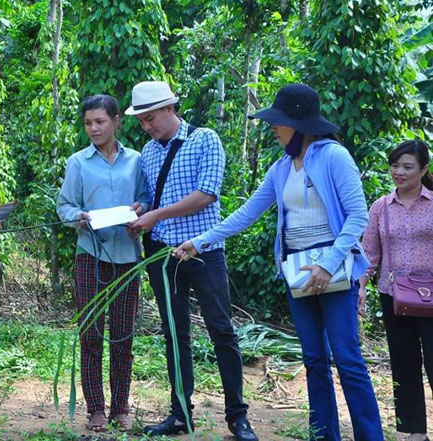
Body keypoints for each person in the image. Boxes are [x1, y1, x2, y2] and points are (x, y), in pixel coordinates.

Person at [174, 83, 384, 441]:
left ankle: (370, 436)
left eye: (279, 122)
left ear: (299, 125)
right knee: (315, 361)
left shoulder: (334, 156)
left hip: (332, 270)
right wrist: (199, 241)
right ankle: (323, 435)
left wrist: (329, 263)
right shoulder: (282, 168)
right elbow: (246, 213)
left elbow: (357, 217)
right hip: (297, 271)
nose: (274, 128)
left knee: (348, 360)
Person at [126, 81, 258, 441]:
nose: (147, 127)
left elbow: (206, 194)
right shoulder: (148, 152)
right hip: (164, 254)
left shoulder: (205, 140)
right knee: (174, 333)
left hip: (204, 251)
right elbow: (152, 199)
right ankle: (180, 414)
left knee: (221, 330)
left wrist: (156, 215)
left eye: (150, 118)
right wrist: (143, 212)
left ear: (171, 108)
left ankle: (238, 417)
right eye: (141, 121)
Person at [56, 94, 149, 432]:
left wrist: (139, 210)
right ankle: (96, 409)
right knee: (91, 335)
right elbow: (65, 205)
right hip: (90, 257)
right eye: (87, 123)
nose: (93, 129)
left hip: (127, 258)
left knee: (123, 336)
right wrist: (77, 218)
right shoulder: (78, 162)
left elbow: (147, 198)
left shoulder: (137, 160)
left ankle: (120, 408)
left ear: (116, 122)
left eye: (100, 122)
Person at [359, 140, 433, 441]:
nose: (398, 172)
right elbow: (369, 254)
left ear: (424, 169)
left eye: (407, 167)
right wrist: (361, 287)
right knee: (404, 363)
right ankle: (416, 431)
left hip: (431, 296)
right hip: (394, 296)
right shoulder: (381, 207)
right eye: (394, 165)